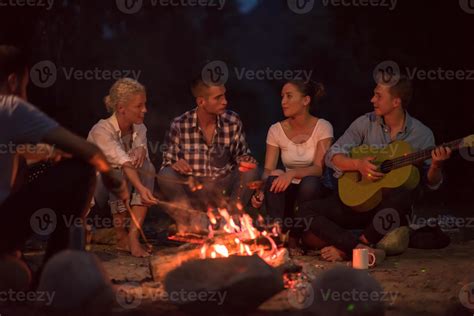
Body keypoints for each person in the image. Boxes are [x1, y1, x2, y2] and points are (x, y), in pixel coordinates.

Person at [296, 75, 452, 262]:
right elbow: (332, 155)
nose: (372, 100)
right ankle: (359, 247)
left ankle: (355, 245)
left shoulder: (422, 134)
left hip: (386, 213)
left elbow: (431, 184)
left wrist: (436, 165)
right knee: (305, 210)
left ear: (396, 101)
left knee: (405, 193)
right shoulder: (364, 123)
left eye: (378, 96)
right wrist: (358, 164)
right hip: (357, 202)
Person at [0, 46, 128, 273]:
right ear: (12, 81)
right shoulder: (9, 106)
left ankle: (13, 256)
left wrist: (50, 153)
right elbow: (91, 152)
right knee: (82, 168)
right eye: (25, 85)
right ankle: (55, 270)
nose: (25, 92)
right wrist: (112, 179)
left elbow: (19, 148)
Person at [251, 80, 333, 248]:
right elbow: (268, 169)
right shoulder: (276, 129)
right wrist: (260, 189)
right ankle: (278, 236)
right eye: (282, 97)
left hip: (315, 189)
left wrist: (291, 173)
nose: (283, 102)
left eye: (289, 96)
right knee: (273, 179)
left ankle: (296, 235)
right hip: (288, 187)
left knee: (309, 183)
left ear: (306, 100)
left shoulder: (323, 127)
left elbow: (318, 169)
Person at [158, 77, 258, 212]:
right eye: (218, 98)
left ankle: (232, 216)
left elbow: (241, 155)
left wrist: (245, 160)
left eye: (224, 96)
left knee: (251, 170)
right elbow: (167, 163)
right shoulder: (180, 124)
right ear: (201, 101)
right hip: (194, 187)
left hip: (222, 185)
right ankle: (189, 218)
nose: (225, 101)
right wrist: (176, 164)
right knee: (166, 175)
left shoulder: (232, 120)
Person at [88, 78, 158, 258]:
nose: (145, 110)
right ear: (121, 108)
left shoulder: (139, 128)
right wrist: (141, 188)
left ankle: (133, 237)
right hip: (95, 191)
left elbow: (140, 161)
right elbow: (123, 161)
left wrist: (141, 150)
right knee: (118, 170)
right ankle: (120, 236)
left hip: (124, 188)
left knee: (147, 166)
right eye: (139, 106)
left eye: (145, 104)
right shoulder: (101, 130)